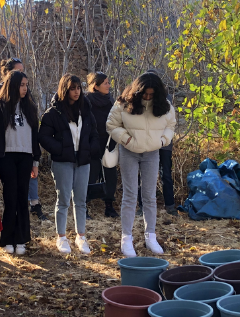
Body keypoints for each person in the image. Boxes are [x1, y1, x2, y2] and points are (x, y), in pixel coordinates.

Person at [106, 72, 175, 257]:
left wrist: (162, 141)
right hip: (129, 152)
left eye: (151, 95)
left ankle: (150, 236)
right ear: (138, 90)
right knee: (130, 195)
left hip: (152, 153)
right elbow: (111, 125)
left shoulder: (165, 105)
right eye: (145, 94)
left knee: (150, 196)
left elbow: (171, 125)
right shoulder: (123, 103)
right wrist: (127, 140)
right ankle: (126, 238)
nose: (147, 97)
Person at [39, 74, 99, 255]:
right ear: (65, 89)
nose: (76, 92)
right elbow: (43, 137)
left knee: (81, 201)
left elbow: (94, 134)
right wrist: (60, 150)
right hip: (62, 160)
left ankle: (81, 236)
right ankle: (61, 237)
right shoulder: (53, 113)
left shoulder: (86, 110)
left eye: (79, 88)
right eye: (72, 88)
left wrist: (90, 151)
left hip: (82, 160)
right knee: (63, 199)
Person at [0, 70, 40, 255]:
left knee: (22, 198)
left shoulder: (30, 108)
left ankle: (21, 239)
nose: (25, 88)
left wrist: (36, 162)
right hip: (6, 157)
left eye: (26, 85)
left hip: (25, 157)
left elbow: (35, 137)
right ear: (12, 85)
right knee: (10, 198)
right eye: (21, 85)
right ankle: (7, 238)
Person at [0, 58, 49, 221]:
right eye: (18, 72)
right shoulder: (3, 94)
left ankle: (33, 204)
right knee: (12, 193)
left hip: (26, 148)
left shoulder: (26, 93)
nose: (24, 86)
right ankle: (14, 223)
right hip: (9, 150)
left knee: (30, 174)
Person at [85, 71, 119, 218]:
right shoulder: (86, 101)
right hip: (92, 143)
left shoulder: (111, 101)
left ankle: (109, 206)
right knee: (90, 176)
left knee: (111, 175)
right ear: (96, 86)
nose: (108, 85)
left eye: (108, 82)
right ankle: (84, 206)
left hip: (108, 143)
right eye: (105, 83)